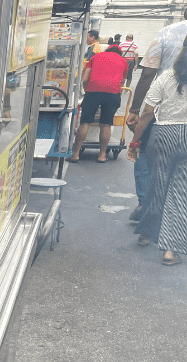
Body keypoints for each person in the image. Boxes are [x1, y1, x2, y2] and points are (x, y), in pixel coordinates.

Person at [129, 38, 187, 266]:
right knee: (181, 191)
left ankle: (147, 234)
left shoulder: (166, 77)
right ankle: (171, 250)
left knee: (157, 184)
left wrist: (135, 142)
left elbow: (147, 113)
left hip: (162, 135)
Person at [126, 9, 187, 220]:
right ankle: (174, 214)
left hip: (163, 113)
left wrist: (135, 110)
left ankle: (145, 202)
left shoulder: (167, 33)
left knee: (143, 154)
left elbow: (149, 72)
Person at [68, 44, 129, 163]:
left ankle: (75, 154)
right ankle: (102, 155)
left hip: (93, 91)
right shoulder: (124, 61)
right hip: (112, 93)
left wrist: (87, 91)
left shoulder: (96, 57)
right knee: (106, 123)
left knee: (85, 122)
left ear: (107, 50)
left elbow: (85, 78)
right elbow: (122, 81)